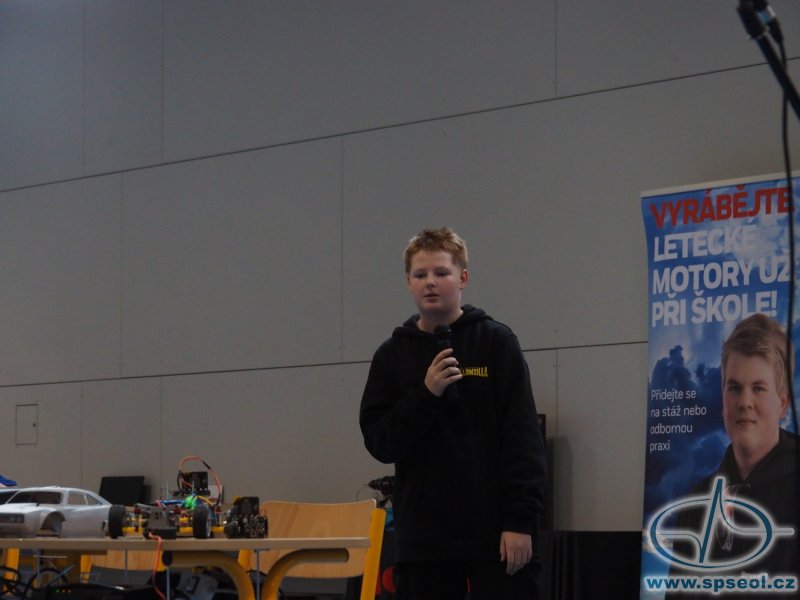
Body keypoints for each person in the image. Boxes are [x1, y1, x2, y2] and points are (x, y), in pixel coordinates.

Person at [359, 227, 546, 600]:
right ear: (409, 283)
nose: (430, 282)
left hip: (495, 533)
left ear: (463, 278)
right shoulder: (391, 356)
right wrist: (425, 394)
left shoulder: (496, 342)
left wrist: (520, 522)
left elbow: (523, 439)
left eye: (441, 272)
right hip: (424, 539)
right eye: (420, 274)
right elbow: (380, 442)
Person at [667, 313, 799, 598]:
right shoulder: (696, 504)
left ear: (783, 404)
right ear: (723, 400)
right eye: (735, 388)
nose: (744, 402)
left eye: (758, 388)